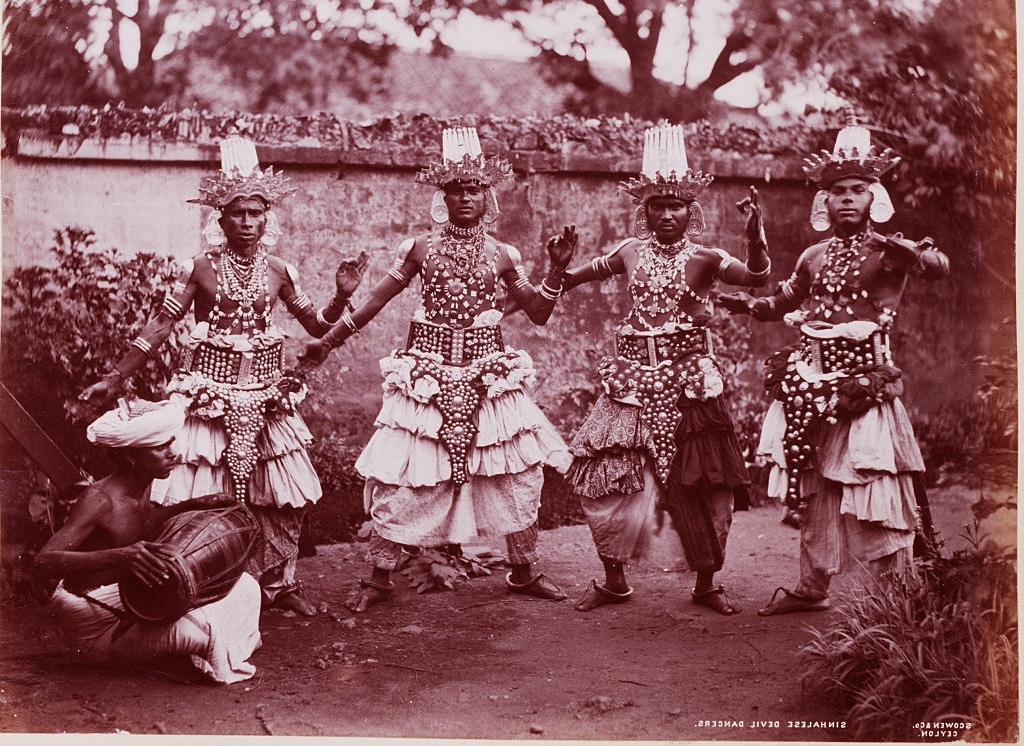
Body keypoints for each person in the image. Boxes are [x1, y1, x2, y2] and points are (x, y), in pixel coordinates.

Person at [78, 135, 368, 616]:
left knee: (280, 492)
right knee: (199, 492)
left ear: (267, 217)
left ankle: (279, 583)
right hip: (207, 396)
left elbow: (316, 324)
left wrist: (341, 296)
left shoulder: (278, 271)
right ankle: (207, 585)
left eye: (256, 213)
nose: (247, 222)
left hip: (266, 396)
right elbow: (163, 323)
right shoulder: (199, 269)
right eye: (237, 213)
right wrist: (115, 377)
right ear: (221, 217)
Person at [301, 126, 578, 612]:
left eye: (473, 189)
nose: (465, 198)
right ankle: (378, 577)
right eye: (456, 190)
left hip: (489, 375)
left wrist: (556, 270)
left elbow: (537, 312)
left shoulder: (503, 254)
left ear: (486, 195)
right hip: (426, 375)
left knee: (516, 471)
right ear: (442, 197)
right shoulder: (418, 250)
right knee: (404, 475)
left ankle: (523, 570)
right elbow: (373, 303)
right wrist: (328, 341)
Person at [718, 117, 949, 615]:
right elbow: (782, 300)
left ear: (874, 198)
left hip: (865, 385)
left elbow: (938, 266)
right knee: (814, 482)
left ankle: (899, 600)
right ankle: (811, 586)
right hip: (811, 381)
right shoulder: (813, 255)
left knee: (872, 485)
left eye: (858, 191)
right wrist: (740, 303)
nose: (847, 199)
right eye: (838, 191)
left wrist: (917, 254)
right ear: (824, 201)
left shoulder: (890, 253)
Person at [559, 124, 771, 614]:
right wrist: (554, 271)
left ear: (690, 210)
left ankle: (706, 583)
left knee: (707, 484)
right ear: (645, 210)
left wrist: (755, 237)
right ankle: (614, 580)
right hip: (629, 382)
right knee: (609, 480)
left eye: (676, 205)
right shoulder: (628, 252)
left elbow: (758, 278)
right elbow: (574, 277)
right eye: (658, 205)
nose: (667, 214)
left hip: (689, 386)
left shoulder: (707, 258)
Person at [34, 398, 262, 684]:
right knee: (203, 628)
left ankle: (169, 646)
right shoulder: (100, 499)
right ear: (131, 456)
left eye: (170, 443)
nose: (173, 453)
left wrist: (196, 504)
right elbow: (43, 561)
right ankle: (120, 652)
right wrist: (120, 557)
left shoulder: (143, 485)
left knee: (245, 588)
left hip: (125, 601)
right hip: (90, 619)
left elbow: (145, 520)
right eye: (160, 447)